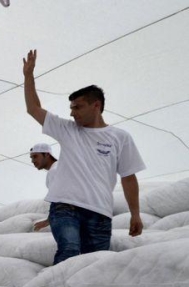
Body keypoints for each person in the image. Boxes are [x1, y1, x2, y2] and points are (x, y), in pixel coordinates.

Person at [23, 50, 145, 264]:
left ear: (96, 105)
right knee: (69, 251)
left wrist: (135, 214)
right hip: (65, 207)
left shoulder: (120, 137)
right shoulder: (67, 130)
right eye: (70, 108)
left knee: (95, 264)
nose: (72, 113)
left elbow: (128, 177)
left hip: (100, 213)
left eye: (77, 107)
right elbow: (33, 109)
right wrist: (28, 77)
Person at [29, 143, 58, 232]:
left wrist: (48, 220)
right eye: (31, 158)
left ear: (47, 154)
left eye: (35, 156)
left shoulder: (54, 170)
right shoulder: (59, 167)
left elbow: (58, 198)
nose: (32, 161)